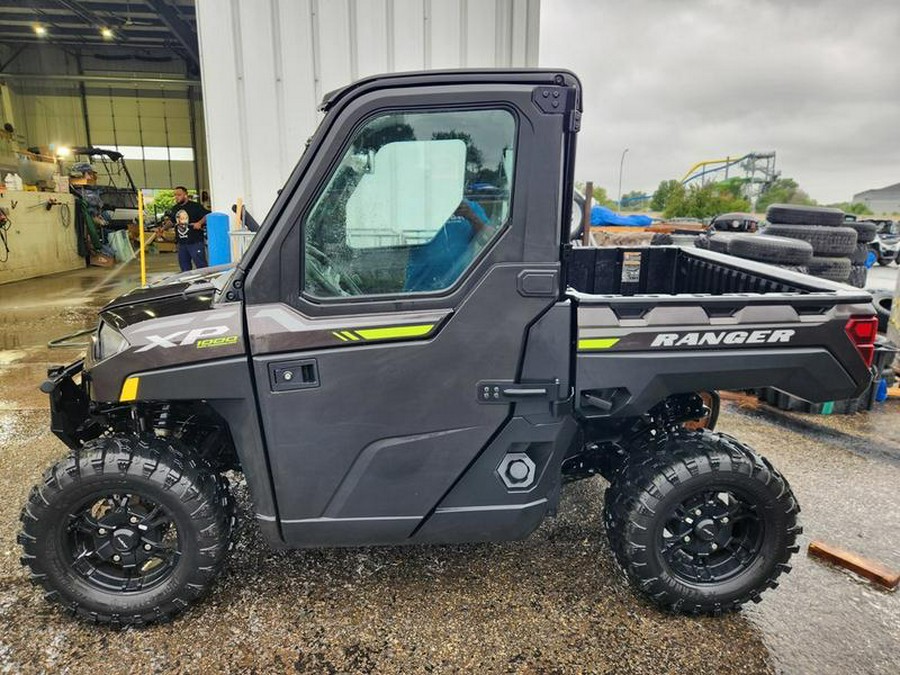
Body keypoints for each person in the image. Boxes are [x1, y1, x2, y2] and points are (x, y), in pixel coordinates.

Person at [159, 186, 210, 271]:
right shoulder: (175, 208)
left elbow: (207, 215)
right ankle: (188, 283)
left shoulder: (195, 206)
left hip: (195, 242)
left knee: (201, 266)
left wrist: (199, 223)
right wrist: (163, 229)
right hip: (182, 244)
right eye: (175, 195)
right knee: (184, 268)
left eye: (179, 195)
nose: (176, 197)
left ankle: (205, 282)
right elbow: (172, 221)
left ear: (186, 195)